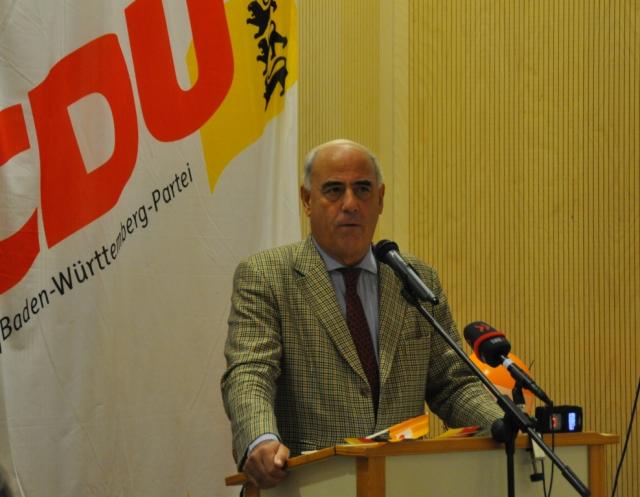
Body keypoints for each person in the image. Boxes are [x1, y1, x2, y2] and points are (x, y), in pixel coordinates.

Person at [221, 139, 503, 489]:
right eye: (334, 190)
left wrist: (508, 426)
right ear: (307, 200)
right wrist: (260, 438)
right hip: (305, 486)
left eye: (363, 189)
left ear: (380, 199)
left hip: (403, 485)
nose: (350, 204)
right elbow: (249, 373)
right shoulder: (266, 276)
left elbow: (453, 384)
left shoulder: (415, 279)